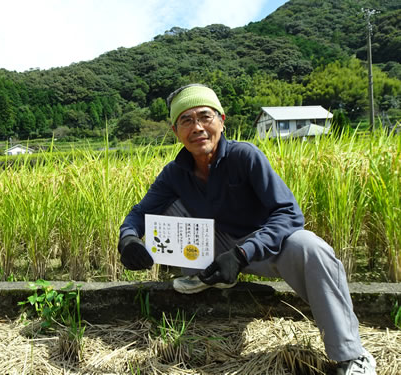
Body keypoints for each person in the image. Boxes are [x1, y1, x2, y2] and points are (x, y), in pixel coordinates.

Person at [117, 83, 376, 375]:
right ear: (175, 131)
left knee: (311, 247)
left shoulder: (245, 156)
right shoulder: (175, 173)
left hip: (260, 249)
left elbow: (288, 212)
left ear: (221, 120)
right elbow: (140, 212)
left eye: (205, 117)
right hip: (214, 249)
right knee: (160, 209)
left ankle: (352, 356)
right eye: (186, 121)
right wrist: (128, 239)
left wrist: (242, 253)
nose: (197, 127)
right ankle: (207, 275)